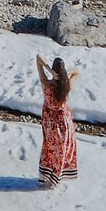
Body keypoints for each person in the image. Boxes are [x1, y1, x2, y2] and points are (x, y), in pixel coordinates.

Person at [35, 52, 78, 186]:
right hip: (64, 120)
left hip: (50, 121)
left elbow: (38, 58)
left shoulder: (46, 85)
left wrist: (49, 70)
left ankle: (45, 175)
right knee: (62, 149)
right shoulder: (66, 86)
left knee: (49, 147)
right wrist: (64, 73)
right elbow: (77, 71)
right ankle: (56, 177)